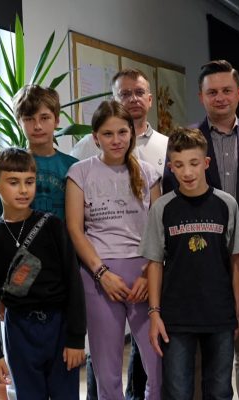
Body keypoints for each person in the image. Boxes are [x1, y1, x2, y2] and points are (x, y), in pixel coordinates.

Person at [162, 60, 239, 400]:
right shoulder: (185, 141)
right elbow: (172, 194)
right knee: (198, 352)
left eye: (227, 90)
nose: (220, 97)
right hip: (197, 263)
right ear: (201, 97)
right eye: (212, 92)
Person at [72, 68, 168, 400]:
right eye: (108, 133)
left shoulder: (149, 173)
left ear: (132, 133)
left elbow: (158, 229)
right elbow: (75, 229)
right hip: (99, 277)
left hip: (144, 274)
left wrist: (147, 273)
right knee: (107, 371)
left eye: (123, 132)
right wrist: (101, 274)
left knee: (157, 365)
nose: (116, 140)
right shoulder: (80, 172)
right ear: (95, 137)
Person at [142, 127, 239, 399]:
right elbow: (154, 263)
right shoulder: (162, 208)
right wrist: (154, 313)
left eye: (194, 163)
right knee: (177, 391)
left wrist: (236, 310)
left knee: (220, 390)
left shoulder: (227, 204)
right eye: (179, 165)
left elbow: (235, 260)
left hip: (219, 313)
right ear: (170, 168)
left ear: (206, 163)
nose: (187, 172)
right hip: (176, 316)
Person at [0, 147, 86, 399]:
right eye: (14, 182)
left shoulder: (53, 227)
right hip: (19, 330)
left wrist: (76, 338)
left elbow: (74, 283)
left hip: (59, 326)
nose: (23, 190)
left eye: (29, 182)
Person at [0, 85, 79, 223]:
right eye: (29, 119)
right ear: (19, 122)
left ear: (57, 120)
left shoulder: (74, 167)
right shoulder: (8, 166)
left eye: (44, 118)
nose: (37, 126)